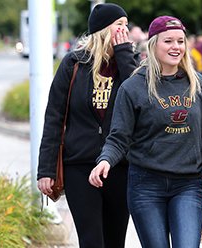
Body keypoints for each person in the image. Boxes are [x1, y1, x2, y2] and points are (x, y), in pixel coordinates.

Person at [87, 16, 202, 247]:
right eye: (168, 41)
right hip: (146, 185)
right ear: (153, 44)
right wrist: (105, 160)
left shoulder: (199, 85)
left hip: (188, 184)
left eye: (180, 41)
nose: (176, 47)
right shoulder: (133, 87)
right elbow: (119, 137)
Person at [37, 3, 135, 248]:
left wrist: (124, 55)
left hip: (119, 166)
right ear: (102, 30)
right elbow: (54, 118)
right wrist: (46, 170)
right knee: (91, 241)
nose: (126, 31)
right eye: (119, 26)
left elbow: (139, 98)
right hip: (79, 166)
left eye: (126, 25)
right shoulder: (74, 64)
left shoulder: (129, 64)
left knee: (115, 241)